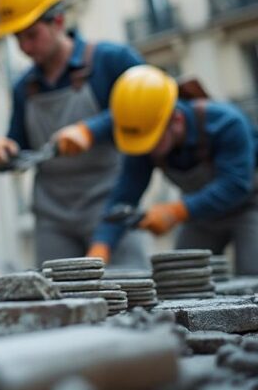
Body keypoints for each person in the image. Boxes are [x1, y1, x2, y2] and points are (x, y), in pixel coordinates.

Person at [0, 0, 148, 267]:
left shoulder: (111, 61)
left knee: (129, 294)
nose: (25, 47)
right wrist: (5, 149)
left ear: (58, 21)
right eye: (18, 38)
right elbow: (20, 142)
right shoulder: (24, 88)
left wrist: (92, 130)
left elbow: (153, 103)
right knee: (57, 302)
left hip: (109, 201)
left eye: (31, 35)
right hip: (52, 214)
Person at [91, 65, 258, 275]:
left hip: (249, 208)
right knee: (178, 279)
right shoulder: (147, 135)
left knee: (253, 276)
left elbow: (236, 184)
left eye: (152, 141)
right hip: (200, 216)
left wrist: (175, 212)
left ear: (176, 120)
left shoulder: (227, 123)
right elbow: (124, 196)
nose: (146, 149)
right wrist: (101, 247)